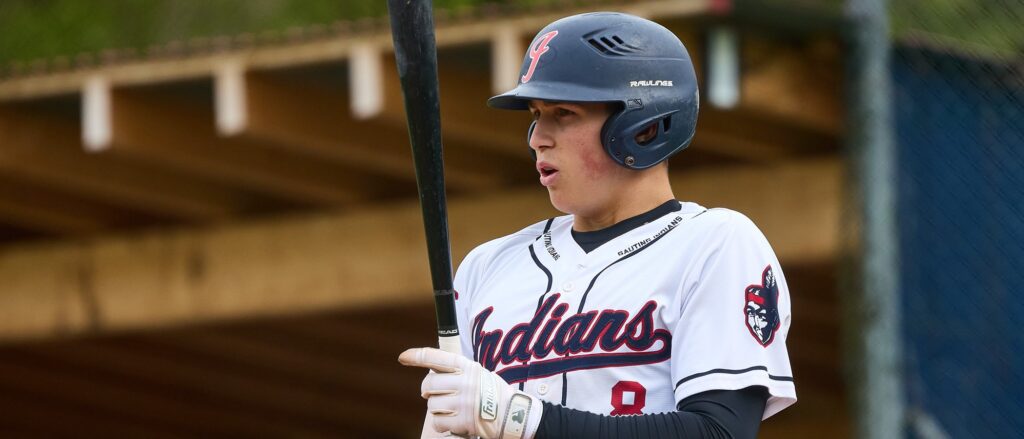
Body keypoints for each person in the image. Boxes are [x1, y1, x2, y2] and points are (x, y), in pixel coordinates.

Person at [399, 12, 796, 439]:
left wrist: (519, 417)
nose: (537, 136)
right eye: (536, 113)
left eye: (563, 113)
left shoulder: (714, 244)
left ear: (644, 128)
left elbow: (721, 432)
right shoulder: (487, 266)